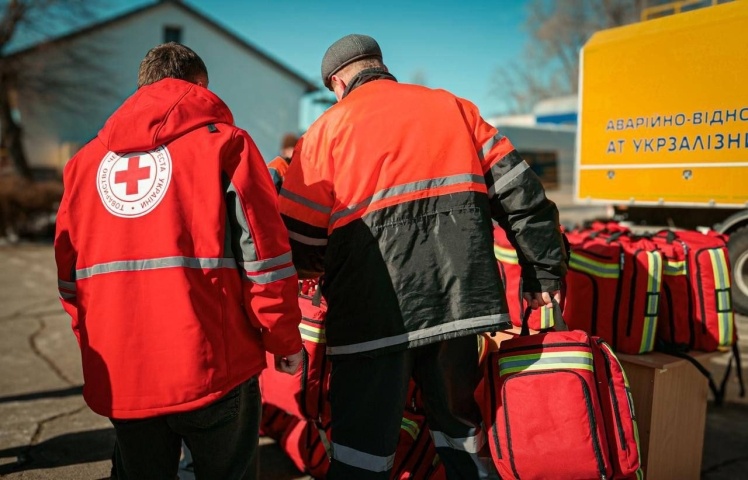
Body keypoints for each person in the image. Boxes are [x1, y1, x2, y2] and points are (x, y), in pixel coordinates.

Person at [278, 34, 567, 479]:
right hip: (459, 306)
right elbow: (522, 195)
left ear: (337, 82)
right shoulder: (454, 108)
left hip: (370, 316)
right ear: (379, 65)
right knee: (460, 433)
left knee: (361, 451)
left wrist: (322, 271)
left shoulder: (324, 132)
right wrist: (543, 274)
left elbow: (300, 239)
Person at [54, 42, 303, 480]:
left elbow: (70, 279)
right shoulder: (227, 145)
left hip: (124, 372)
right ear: (199, 86)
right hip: (214, 367)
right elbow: (265, 259)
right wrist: (283, 340)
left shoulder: (82, 165)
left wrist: (101, 344)